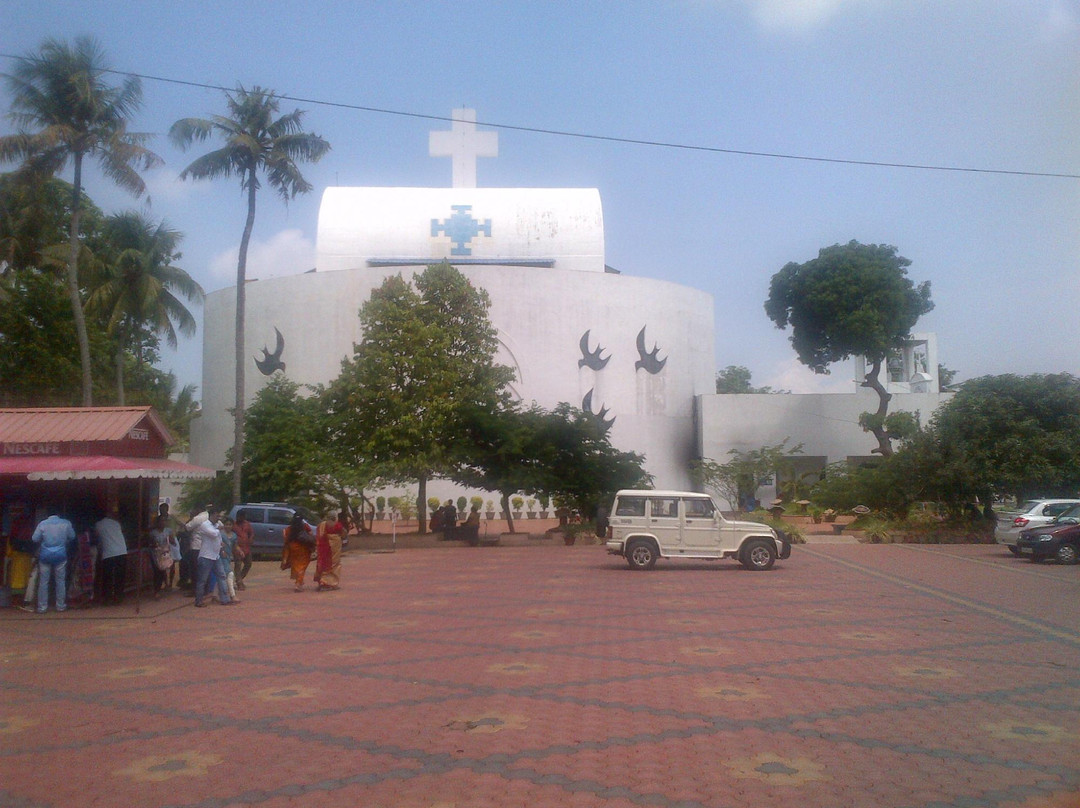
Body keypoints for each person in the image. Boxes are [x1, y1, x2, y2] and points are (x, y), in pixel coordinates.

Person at [31, 512, 75, 613]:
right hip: (60, 554)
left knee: (43, 582)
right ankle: (60, 606)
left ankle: (42, 607)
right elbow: (72, 536)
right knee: (60, 581)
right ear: (59, 514)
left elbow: (34, 539)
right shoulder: (66, 523)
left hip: (45, 555)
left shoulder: (42, 523)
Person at [193, 509, 235, 608]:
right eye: (216, 516)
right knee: (202, 579)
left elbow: (219, 538)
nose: (218, 519)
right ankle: (198, 600)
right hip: (206, 556)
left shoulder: (216, 525)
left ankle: (225, 599)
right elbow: (214, 534)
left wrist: (221, 548)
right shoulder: (205, 525)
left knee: (222, 576)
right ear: (211, 515)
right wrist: (218, 528)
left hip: (216, 556)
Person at [95, 509, 128, 605]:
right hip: (122, 551)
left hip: (108, 553)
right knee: (120, 576)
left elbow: (98, 540)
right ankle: (119, 597)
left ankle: (108, 598)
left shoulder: (98, 525)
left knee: (108, 577)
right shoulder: (116, 523)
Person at [281, 513, 314, 592]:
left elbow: (285, 536)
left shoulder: (289, 528)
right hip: (303, 548)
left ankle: (299, 581)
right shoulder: (305, 526)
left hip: (293, 548)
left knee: (296, 565)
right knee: (302, 566)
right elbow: (311, 534)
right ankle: (298, 583)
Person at [314, 510, 345, 591]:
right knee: (333, 564)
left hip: (322, 546)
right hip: (334, 547)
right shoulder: (337, 525)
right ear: (335, 517)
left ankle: (321, 581)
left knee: (322, 562)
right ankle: (329, 582)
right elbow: (343, 533)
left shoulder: (322, 525)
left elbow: (318, 535)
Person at [148, 515, 174, 598]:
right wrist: (154, 544)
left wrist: (170, 540)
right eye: (161, 521)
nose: (163, 523)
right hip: (155, 555)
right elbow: (149, 543)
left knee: (163, 571)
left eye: (164, 521)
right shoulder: (153, 533)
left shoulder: (168, 531)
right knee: (157, 572)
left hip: (164, 555)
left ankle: (161, 588)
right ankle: (156, 591)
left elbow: (173, 542)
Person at [232, 509, 254, 591]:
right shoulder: (233, 525)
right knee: (238, 565)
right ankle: (239, 583)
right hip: (237, 548)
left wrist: (251, 539)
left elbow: (251, 533)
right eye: (238, 516)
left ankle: (239, 579)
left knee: (248, 564)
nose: (239, 518)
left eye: (241, 517)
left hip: (246, 547)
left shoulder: (247, 524)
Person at [219, 517, 238, 602]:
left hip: (228, 557)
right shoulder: (220, 534)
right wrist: (222, 550)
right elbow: (218, 544)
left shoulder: (234, 535)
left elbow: (235, 546)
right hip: (220, 557)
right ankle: (232, 595)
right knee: (230, 574)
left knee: (222, 575)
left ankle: (215, 596)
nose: (228, 526)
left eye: (230, 524)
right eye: (226, 524)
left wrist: (239, 551)